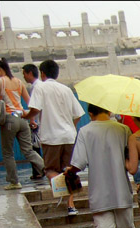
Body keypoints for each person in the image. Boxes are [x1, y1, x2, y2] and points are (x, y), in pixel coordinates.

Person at [65, 103, 139, 228]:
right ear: (109, 110)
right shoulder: (122, 129)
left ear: (91, 114)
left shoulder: (85, 132)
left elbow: (77, 163)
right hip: (122, 191)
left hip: (99, 194)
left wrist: (68, 173)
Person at [0, 59, 45, 190]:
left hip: (9, 121)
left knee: (7, 153)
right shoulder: (18, 82)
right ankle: (46, 168)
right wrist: (32, 120)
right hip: (22, 120)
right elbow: (31, 103)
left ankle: (14, 181)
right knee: (28, 150)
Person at [24, 59, 84, 215]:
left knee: (50, 170)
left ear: (42, 73)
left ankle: (61, 194)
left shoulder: (41, 88)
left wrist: (26, 116)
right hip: (69, 136)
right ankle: (71, 205)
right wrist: (71, 127)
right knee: (69, 171)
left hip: (51, 137)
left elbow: (35, 110)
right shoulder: (66, 89)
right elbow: (78, 114)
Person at [22, 63, 45, 182]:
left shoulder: (36, 87)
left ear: (30, 73)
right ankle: (38, 171)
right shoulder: (41, 85)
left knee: (35, 148)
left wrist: (31, 119)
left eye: (24, 74)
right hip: (41, 120)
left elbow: (34, 107)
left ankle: (39, 171)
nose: (24, 77)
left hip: (39, 121)